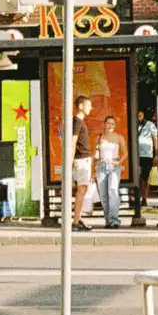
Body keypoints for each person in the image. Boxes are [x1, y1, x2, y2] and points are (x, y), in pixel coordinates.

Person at [94, 115, 128, 229]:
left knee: (113, 191)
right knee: (103, 195)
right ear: (104, 124)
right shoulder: (99, 137)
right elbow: (95, 153)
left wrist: (119, 162)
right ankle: (108, 220)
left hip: (114, 165)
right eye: (108, 123)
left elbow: (125, 153)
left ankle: (114, 220)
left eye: (113, 123)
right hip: (101, 166)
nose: (110, 125)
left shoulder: (119, 137)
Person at [70, 95, 94, 233]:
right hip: (81, 160)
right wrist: (71, 161)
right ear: (80, 106)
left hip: (83, 159)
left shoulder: (79, 121)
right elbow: (73, 142)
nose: (90, 107)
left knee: (83, 189)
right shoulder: (77, 121)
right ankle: (75, 222)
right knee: (81, 189)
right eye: (88, 105)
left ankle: (77, 219)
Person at [136, 109, 158, 207]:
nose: (139, 116)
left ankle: (144, 198)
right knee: (135, 177)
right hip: (135, 154)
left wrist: (156, 154)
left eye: (140, 114)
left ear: (143, 114)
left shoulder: (150, 125)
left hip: (147, 155)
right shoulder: (133, 123)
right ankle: (134, 197)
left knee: (145, 177)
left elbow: (155, 139)